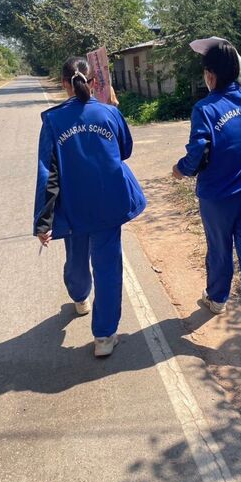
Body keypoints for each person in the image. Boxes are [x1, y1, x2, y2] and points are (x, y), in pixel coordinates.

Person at [33, 56, 146, 357]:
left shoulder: (54, 120)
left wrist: (43, 220)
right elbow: (125, 150)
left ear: (63, 84)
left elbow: (48, 173)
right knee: (108, 267)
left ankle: (80, 296)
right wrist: (111, 112)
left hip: (73, 205)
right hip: (109, 202)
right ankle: (105, 336)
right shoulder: (109, 113)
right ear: (94, 82)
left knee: (76, 257)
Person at [172, 38, 241, 359]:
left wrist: (180, 169)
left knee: (219, 250)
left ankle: (217, 299)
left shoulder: (205, 108)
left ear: (210, 75)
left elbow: (198, 152)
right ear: (237, 71)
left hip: (218, 198)